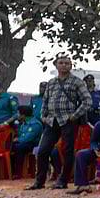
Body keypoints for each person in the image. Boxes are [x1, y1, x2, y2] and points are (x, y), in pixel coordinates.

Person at [27, 54, 92, 190]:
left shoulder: (77, 82)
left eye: (67, 63)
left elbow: (87, 101)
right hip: (51, 120)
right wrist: (43, 115)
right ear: (56, 65)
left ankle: (63, 180)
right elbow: (45, 101)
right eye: (61, 63)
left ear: (71, 66)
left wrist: (75, 115)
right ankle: (39, 181)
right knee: (43, 150)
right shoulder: (51, 82)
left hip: (68, 120)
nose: (64, 65)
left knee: (67, 150)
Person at [9, 104, 51, 176]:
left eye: (18, 113)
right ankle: (10, 170)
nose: (17, 115)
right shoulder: (23, 123)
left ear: (23, 115)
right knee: (10, 146)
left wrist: (17, 139)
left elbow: (28, 138)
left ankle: (18, 171)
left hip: (34, 144)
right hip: (24, 143)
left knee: (19, 147)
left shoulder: (35, 124)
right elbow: (20, 134)